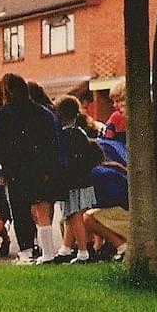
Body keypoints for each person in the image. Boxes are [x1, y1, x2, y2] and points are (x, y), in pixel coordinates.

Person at [0, 73, 62, 265]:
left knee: (20, 212)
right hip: (41, 169)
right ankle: (47, 251)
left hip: (15, 171)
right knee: (42, 211)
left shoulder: (4, 115)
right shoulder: (44, 113)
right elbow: (54, 142)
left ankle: (26, 251)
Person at [46, 95, 103, 264]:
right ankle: (65, 248)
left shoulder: (66, 135)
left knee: (73, 216)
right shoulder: (80, 133)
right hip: (83, 182)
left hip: (73, 184)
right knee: (72, 216)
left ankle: (83, 251)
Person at [85, 157, 130, 261]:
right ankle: (98, 247)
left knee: (88, 218)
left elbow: (114, 197)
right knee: (94, 214)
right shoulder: (106, 169)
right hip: (122, 207)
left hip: (123, 209)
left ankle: (121, 246)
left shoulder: (98, 173)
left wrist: (95, 204)